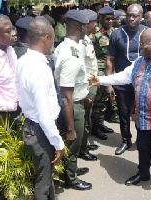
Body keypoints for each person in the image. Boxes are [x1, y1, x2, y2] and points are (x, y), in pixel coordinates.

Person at [89, 27, 151, 193]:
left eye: (143, 44)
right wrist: (101, 80)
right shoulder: (140, 61)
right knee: (143, 149)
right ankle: (143, 174)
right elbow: (123, 76)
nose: (140, 47)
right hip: (142, 118)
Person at [16, 18, 64, 200]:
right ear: (46, 38)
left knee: (46, 175)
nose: (53, 42)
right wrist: (58, 143)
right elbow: (44, 115)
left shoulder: (24, 60)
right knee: (42, 183)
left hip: (33, 126)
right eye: (52, 38)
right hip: (41, 130)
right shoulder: (38, 69)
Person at [54, 10, 92, 190]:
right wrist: (70, 127)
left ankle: (72, 169)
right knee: (72, 141)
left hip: (76, 101)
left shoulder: (72, 47)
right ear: (82, 27)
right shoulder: (70, 54)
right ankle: (71, 178)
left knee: (74, 144)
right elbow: (66, 95)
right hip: (72, 106)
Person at [106, 4, 147, 155]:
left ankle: (142, 141)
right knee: (123, 113)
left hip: (143, 82)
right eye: (129, 15)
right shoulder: (117, 34)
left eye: (135, 15)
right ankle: (125, 140)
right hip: (122, 83)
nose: (131, 18)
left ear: (141, 16)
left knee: (141, 113)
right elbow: (110, 59)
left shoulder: (147, 33)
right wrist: (109, 83)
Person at [91, 6, 116, 140]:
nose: (110, 21)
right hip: (99, 70)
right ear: (101, 18)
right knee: (98, 100)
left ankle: (101, 123)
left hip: (111, 69)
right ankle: (95, 126)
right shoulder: (95, 34)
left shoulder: (114, 32)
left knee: (106, 99)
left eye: (112, 19)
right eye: (107, 19)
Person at [78, 9, 99, 161]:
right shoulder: (80, 41)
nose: (96, 24)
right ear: (87, 24)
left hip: (91, 82)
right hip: (86, 85)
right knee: (84, 118)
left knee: (87, 116)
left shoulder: (86, 38)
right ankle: (82, 149)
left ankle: (84, 144)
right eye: (94, 22)